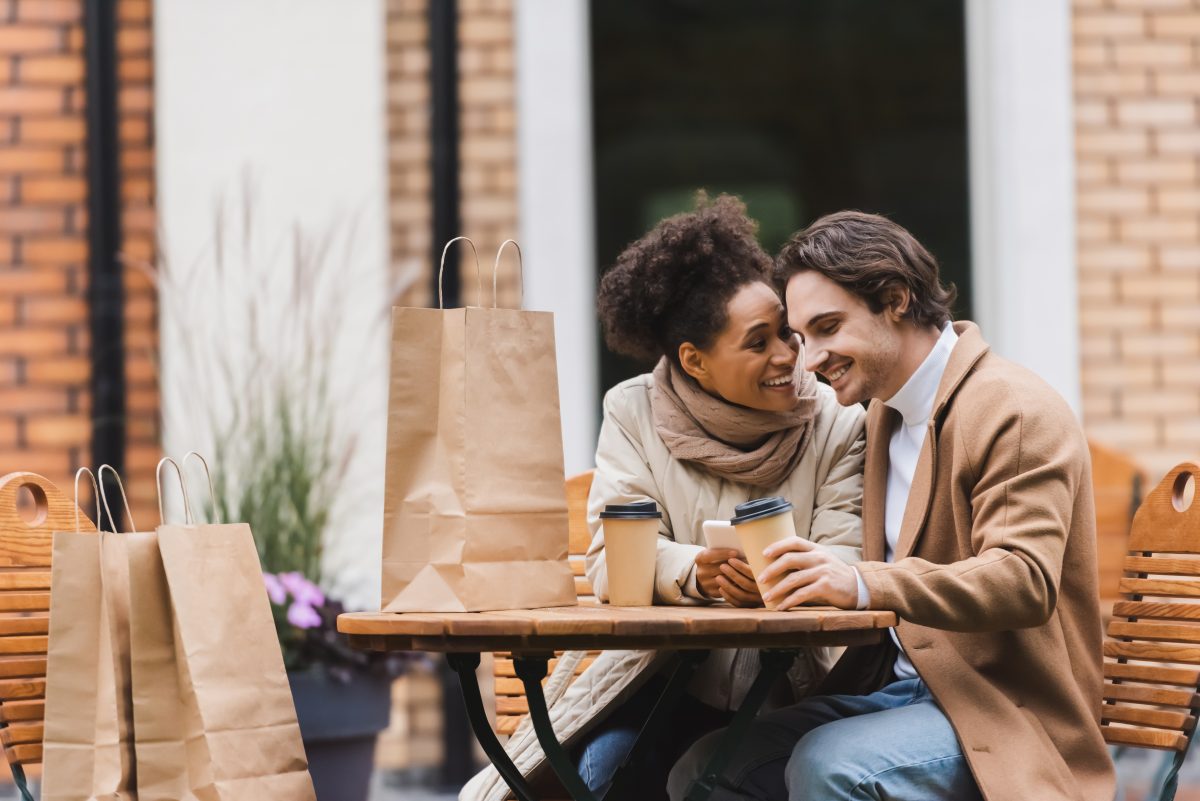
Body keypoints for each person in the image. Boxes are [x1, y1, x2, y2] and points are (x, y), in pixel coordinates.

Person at [668, 211, 1115, 801]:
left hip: (1010, 713)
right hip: (905, 691)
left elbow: (1023, 579)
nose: (809, 359)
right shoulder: (881, 417)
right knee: (705, 768)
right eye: (802, 338)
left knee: (829, 765)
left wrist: (860, 582)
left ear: (896, 300)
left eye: (828, 327)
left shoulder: (1012, 409)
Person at [458, 195, 866, 801]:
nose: (788, 355)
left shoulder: (838, 419)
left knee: (708, 776)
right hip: (661, 683)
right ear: (695, 362)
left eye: (787, 331)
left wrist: (781, 580)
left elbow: (846, 555)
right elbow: (610, 558)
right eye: (759, 343)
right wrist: (697, 573)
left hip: (797, 692)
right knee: (597, 777)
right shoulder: (633, 412)